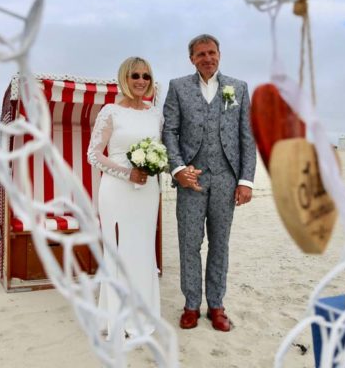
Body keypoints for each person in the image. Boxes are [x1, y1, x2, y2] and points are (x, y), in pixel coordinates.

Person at [162, 34, 257, 332]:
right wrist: (177, 169)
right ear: (191, 58)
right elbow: (170, 133)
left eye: (212, 52)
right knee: (189, 244)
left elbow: (247, 137)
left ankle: (216, 305)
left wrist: (246, 180)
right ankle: (191, 304)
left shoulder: (238, 88)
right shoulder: (178, 87)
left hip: (227, 180)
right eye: (200, 54)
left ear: (219, 54)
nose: (207, 58)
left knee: (220, 245)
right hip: (191, 180)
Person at [87, 56, 162, 339]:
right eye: (135, 76)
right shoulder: (110, 112)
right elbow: (94, 154)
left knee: (143, 249)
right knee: (118, 250)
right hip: (116, 190)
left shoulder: (155, 113)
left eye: (146, 76)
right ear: (124, 79)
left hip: (148, 191)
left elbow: (163, 148)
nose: (141, 81)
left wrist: (155, 165)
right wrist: (126, 173)